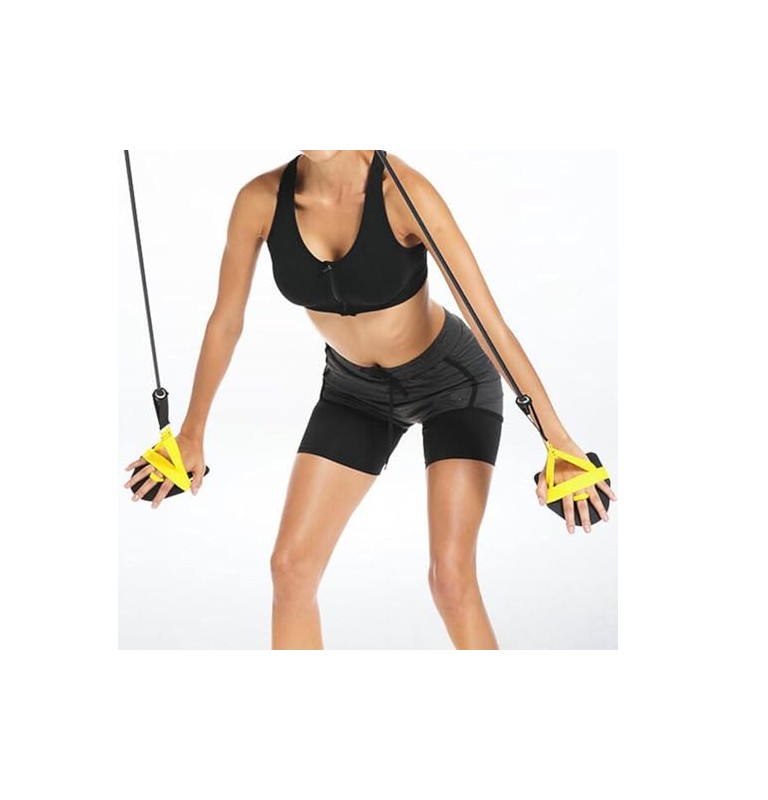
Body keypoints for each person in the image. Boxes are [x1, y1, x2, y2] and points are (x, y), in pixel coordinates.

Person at [124, 150, 616, 649]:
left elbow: (489, 323)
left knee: (450, 580)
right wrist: (191, 432)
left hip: (451, 384)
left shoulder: (405, 194)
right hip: (353, 391)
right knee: (290, 570)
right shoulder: (260, 200)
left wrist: (557, 439)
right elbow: (225, 321)